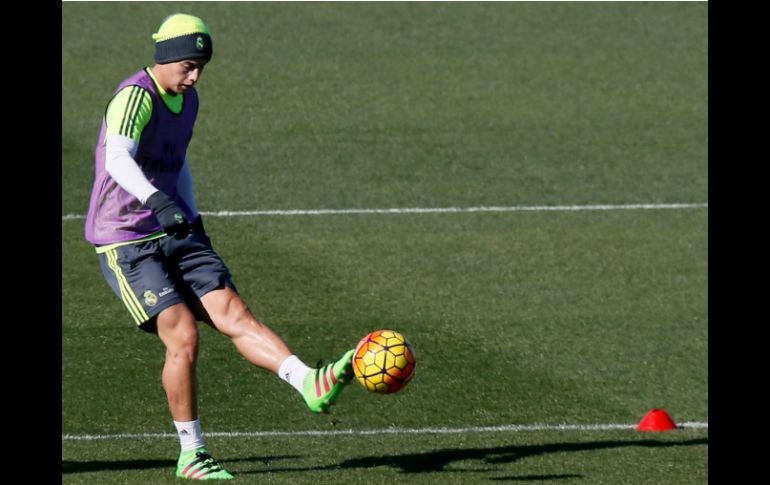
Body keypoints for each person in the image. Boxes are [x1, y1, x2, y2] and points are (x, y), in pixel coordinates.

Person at [84, 13, 355, 481]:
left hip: (176, 227)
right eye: (188, 65)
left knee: (234, 312)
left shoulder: (186, 101)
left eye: (201, 68)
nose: (194, 77)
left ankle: (309, 382)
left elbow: (177, 159)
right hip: (126, 240)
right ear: (166, 58)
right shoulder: (135, 97)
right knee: (183, 334)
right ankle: (192, 454)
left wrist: (190, 212)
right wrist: (157, 201)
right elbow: (117, 158)